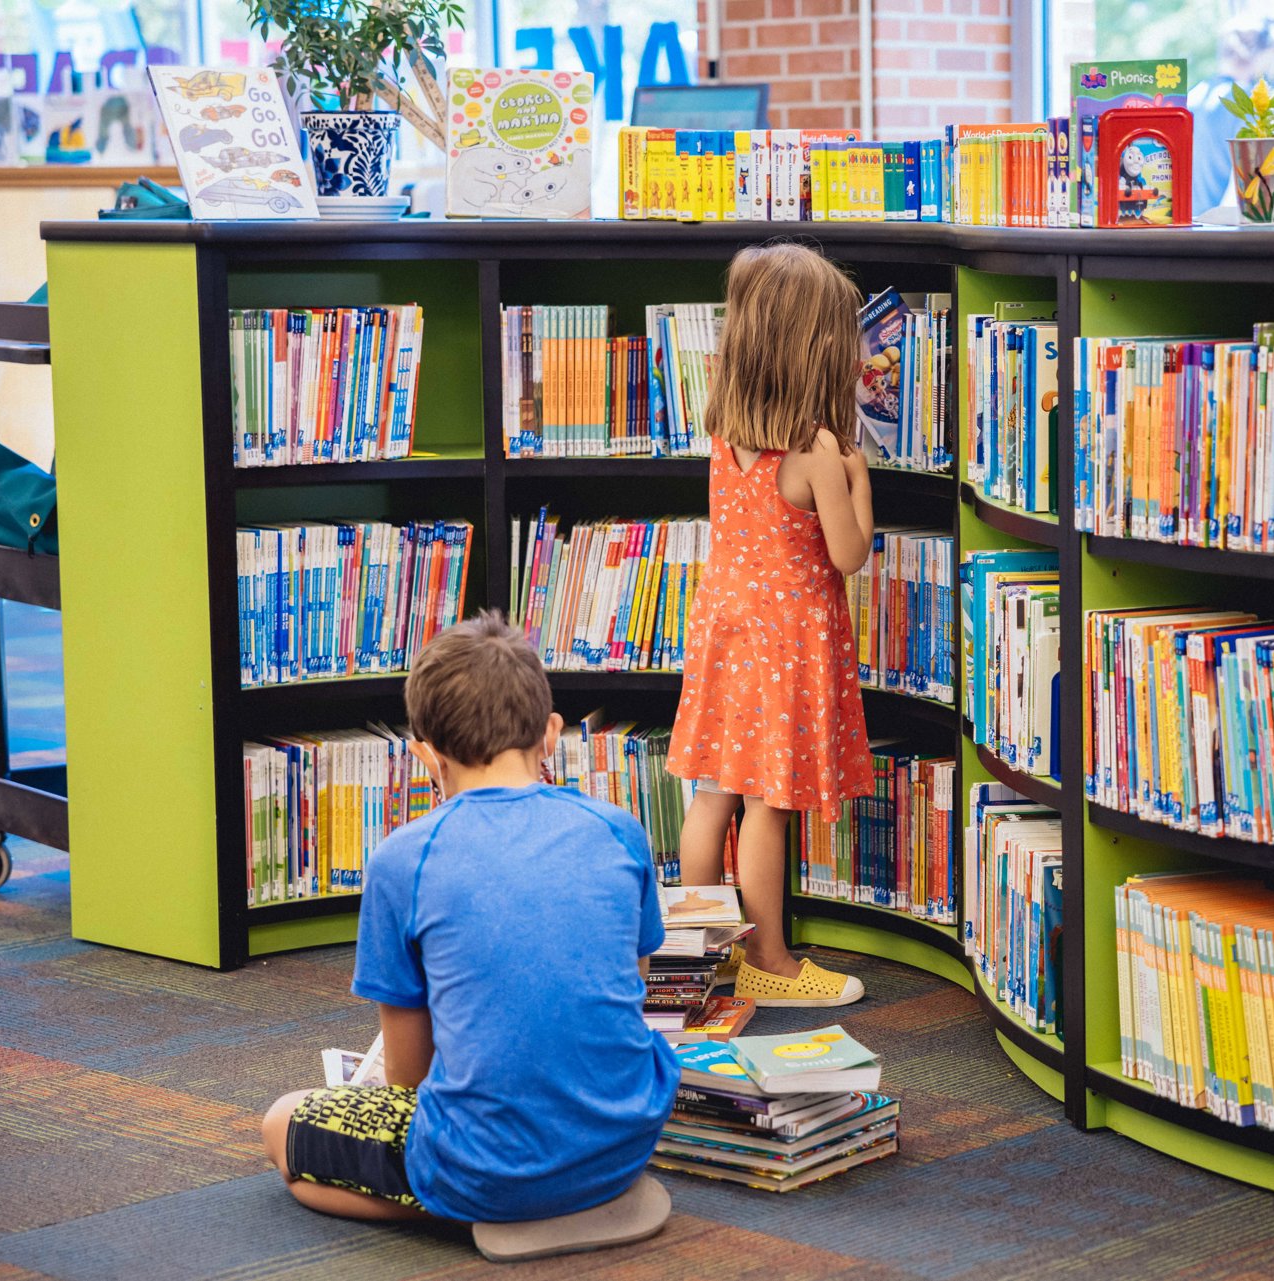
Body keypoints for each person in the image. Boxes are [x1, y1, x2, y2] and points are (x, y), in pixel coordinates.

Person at [260, 612, 678, 1223]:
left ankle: (461, 1204)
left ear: (426, 753)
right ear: (552, 732)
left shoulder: (403, 859)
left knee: (283, 1123)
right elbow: (631, 985)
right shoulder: (619, 829)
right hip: (624, 1145)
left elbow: (406, 1078)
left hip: (482, 1166)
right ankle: (551, 1190)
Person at [666, 242, 876, 1008]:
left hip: (726, 628)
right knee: (767, 805)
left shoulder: (725, 425)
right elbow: (849, 555)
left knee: (713, 793)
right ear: (816, 350)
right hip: (785, 644)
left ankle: (696, 946)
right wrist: (859, 480)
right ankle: (772, 960)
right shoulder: (817, 449)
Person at [1191, 14, 1274, 212]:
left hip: (1185, 228)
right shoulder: (1253, 104)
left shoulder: (1194, 96)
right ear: (1268, 52)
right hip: (1222, 232)